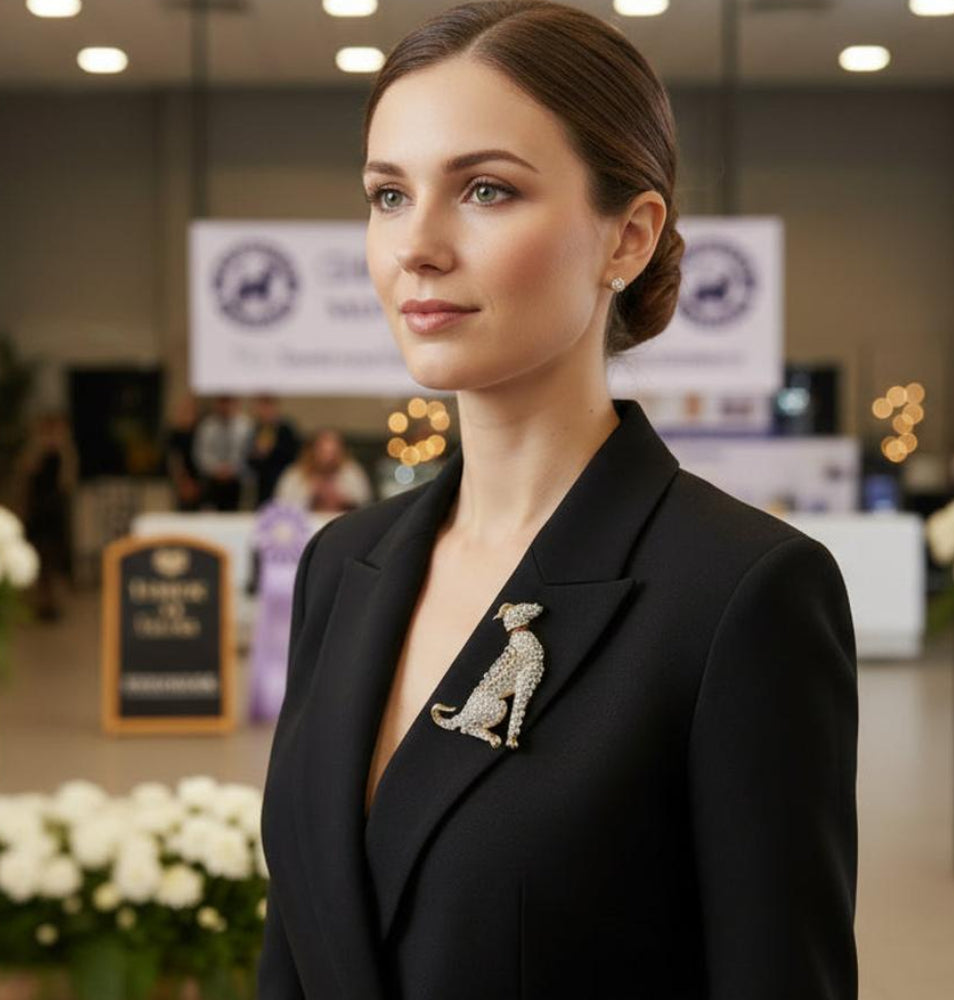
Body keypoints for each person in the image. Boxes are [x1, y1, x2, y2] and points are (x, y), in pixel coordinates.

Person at [258, 3, 859, 998]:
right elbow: (296, 943)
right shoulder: (343, 565)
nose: (417, 245)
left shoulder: (738, 596)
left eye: (485, 189)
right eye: (389, 194)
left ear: (628, 237)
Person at [18, 411, 78, 620]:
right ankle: (42, 603)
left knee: (53, 561)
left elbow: (68, 482)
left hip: (55, 513)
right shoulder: (34, 453)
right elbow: (27, 475)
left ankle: (51, 603)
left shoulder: (64, 454)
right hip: (38, 512)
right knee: (40, 560)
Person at [274, 429, 373, 512]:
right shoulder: (296, 474)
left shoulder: (351, 472)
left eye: (333, 453)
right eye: (322, 451)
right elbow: (282, 505)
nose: (328, 459)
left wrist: (343, 500)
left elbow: (365, 504)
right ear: (312, 451)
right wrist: (311, 497)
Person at [192, 395, 253, 511]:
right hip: (211, 481)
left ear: (236, 403)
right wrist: (216, 469)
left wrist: (232, 469)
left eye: (229, 402)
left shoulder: (245, 426)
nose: (226, 407)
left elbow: (248, 454)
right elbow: (201, 454)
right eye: (222, 402)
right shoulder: (207, 426)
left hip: (236, 481)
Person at [246, 395, 302, 507]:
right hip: (263, 482)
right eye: (261, 408)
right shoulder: (256, 429)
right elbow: (249, 458)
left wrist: (271, 450)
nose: (265, 411)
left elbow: (294, 454)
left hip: (283, 477)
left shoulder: (286, 429)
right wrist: (257, 455)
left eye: (267, 407)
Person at [163, 393, 203, 512]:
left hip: (198, 481)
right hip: (180, 481)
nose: (186, 413)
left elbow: (202, 458)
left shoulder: (200, 433)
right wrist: (181, 480)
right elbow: (173, 460)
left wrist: (196, 483)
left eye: (190, 410)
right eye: (183, 410)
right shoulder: (173, 436)